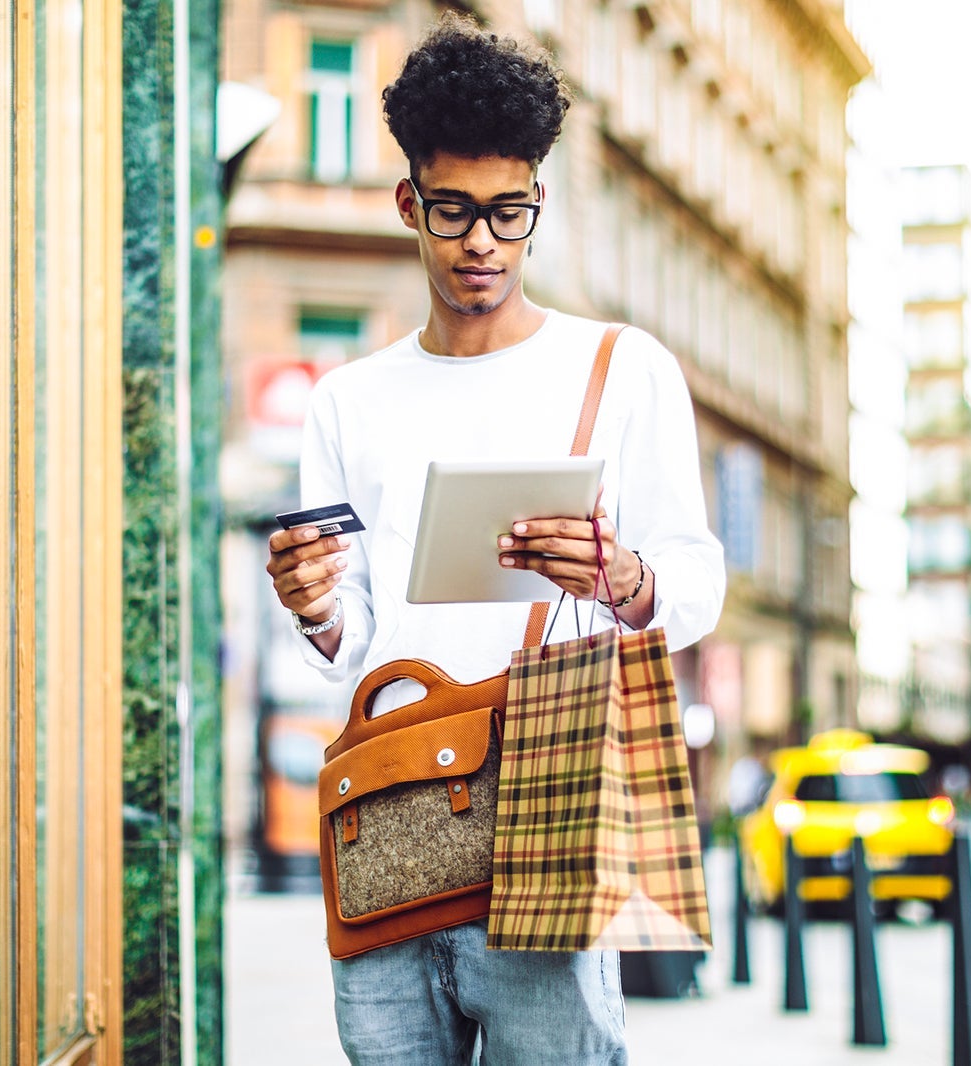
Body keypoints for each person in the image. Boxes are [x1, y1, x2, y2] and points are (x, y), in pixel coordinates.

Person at [264, 14, 725, 1064]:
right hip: (387, 812)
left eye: (509, 214)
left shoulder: (621, 367)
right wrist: (314, 606)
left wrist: (626, 573)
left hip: (544, 815)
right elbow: (353, 635)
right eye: (455, 211)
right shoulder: (346, 399)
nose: (481, 242)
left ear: (538, 204)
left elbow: (694, 579)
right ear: (408, 203)